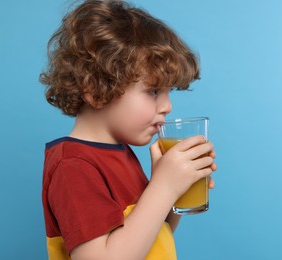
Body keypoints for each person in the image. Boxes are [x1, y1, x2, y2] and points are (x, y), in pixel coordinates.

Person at [40, 0, 217, 259]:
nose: (167, 106)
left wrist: (174, 192)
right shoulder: (74, 165)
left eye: (169, 92)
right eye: (153, 91)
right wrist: (163, 188)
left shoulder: (119, 151)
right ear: (96, 88)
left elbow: (149, 240)